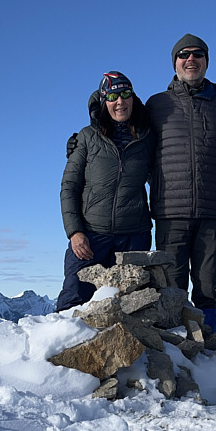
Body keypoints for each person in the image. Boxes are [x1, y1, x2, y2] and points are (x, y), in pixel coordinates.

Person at [145, 33, 216, 334]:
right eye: (183, 54)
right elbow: (130, 139)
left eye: (197, 54)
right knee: (172, 287)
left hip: (213, 211)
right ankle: (175, 349)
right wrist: (89, 138)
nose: (191, 59)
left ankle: (207, 348)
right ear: (174, 62)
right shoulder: (157, 105)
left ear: (206, 62)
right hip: (171, 211)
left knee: (208, 287)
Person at [56, 71, 154, 311]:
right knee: (73, 303)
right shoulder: (87, 137)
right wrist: (75, 232)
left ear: (133, 98)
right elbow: (69, 187)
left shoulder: (148, 138)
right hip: (91, 235)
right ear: (103, 101)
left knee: (130, 308)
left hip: (134, 236)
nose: (120, 101)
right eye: (112, 96)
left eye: (125, 94)